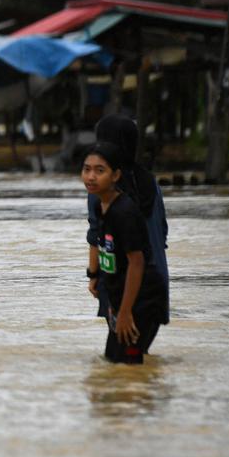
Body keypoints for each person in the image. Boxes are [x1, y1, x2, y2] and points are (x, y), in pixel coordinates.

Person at [86, 114, 169, 336]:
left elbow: (96, 236)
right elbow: (162, 233)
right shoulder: (150, 182)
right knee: (135, 361)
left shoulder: (102, 188)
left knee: (122, 362)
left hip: (123, 289)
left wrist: (93, 275)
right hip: (157, 283)